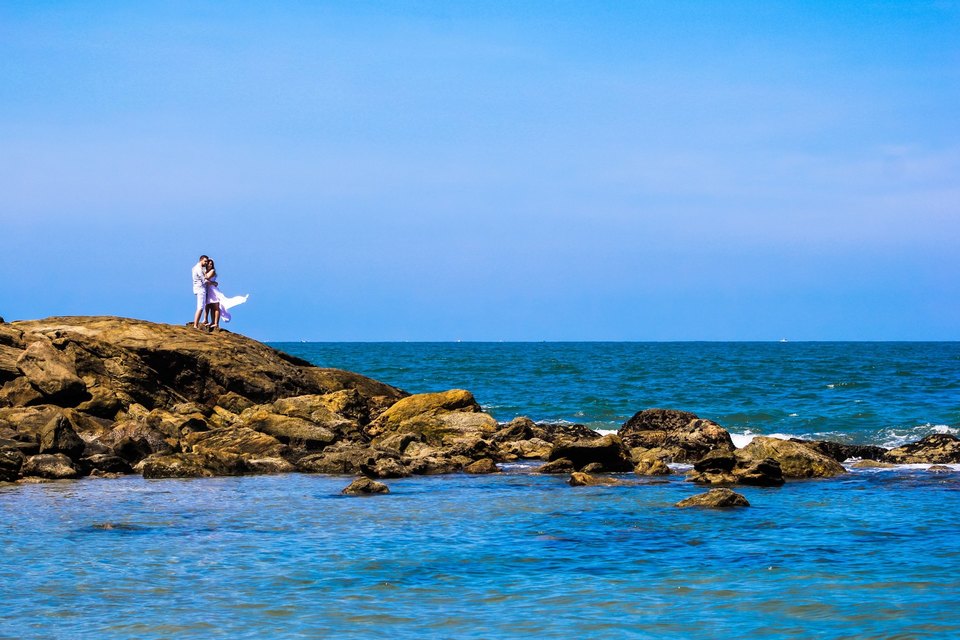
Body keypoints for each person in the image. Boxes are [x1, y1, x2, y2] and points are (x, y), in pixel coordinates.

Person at [203, 258, 249, 329]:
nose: (210, 265)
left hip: (213, 291)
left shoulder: (212, 271)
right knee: (210, 306)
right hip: (208, 290)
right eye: (209, 264)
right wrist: (213, 282)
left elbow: (206, 277)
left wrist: (210, 281)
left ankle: (216, 323)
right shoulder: (206, 271)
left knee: (216, 306)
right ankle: (211, 321)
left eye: (211, 264)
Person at [191, 255, 210, 329]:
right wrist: (213, 283)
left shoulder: (196, 267)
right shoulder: (198, 269)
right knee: (200, 307)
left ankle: (196, 324)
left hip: (198, 288)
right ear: (201, 260)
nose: (206, 263)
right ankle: (195, 325)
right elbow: (204, 280)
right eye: (205, 261)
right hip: (200, 289)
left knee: (201, 307)